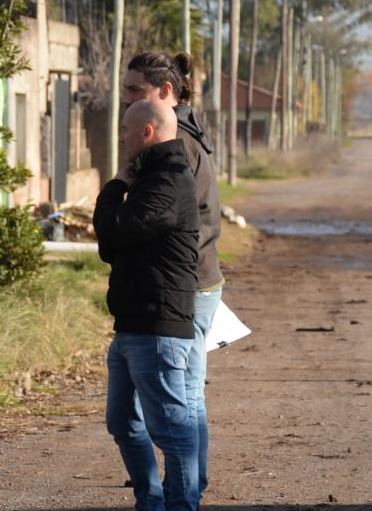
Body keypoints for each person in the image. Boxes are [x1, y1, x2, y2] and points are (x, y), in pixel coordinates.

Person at [122, 50, 222, 509]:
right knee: (188, 398)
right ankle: (185, 488)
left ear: (164, 93)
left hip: (184, 287)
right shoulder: (187, 130)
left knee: (182, 403)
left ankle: (183, 493)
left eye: (134, 92)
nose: (126, 102)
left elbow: (151, 226)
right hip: (195, 282)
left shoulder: (173, 142)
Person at [93, 99, 201, 511]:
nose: (120, 136)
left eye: (124, 129)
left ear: (147, 133)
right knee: (121, 421)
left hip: (157, 326)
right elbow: (111, 245)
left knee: (172, 430)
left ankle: (180, 505)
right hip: (132, 324)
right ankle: (150, 500)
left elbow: (112, 229)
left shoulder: (168, 181)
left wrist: (116, 186)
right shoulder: (152, 175)